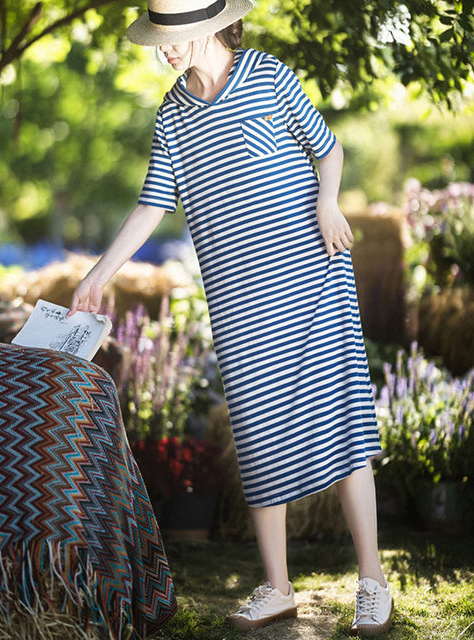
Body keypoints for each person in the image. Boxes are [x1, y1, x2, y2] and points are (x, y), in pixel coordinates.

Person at [68, 0, 394, 636]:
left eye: (175, 36)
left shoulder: (267, 76)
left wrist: (329, 203)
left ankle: (372, 582)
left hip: (312, 275)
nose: (165, 48)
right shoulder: (172, 113)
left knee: (345, 420)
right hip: (238, 299)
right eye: (160, 38)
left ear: (211, 27)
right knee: (256, 431)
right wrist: (97, 275)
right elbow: (150, 204)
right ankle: (277, 586)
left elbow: (328, 150)